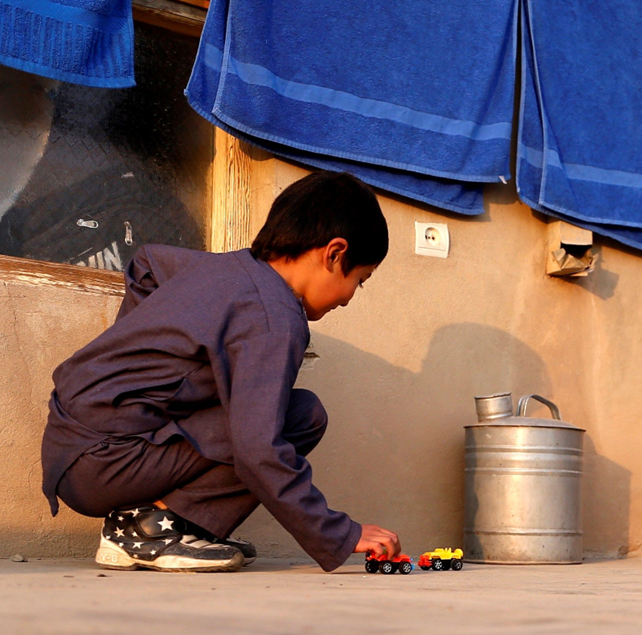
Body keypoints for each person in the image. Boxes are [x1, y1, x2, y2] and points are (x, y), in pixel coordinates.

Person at [40, 171, 401, 572]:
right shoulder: (274, 318)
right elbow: (258, 451)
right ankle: (150, 529)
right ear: (334, 253)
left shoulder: (227, 270)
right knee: (302, 416)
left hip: (72, 447)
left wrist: (147, 364)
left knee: (271, 414)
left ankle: (163, 523)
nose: (349, 299)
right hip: (105, 464)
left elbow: (146, 264)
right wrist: (340, 533)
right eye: (359, 281)